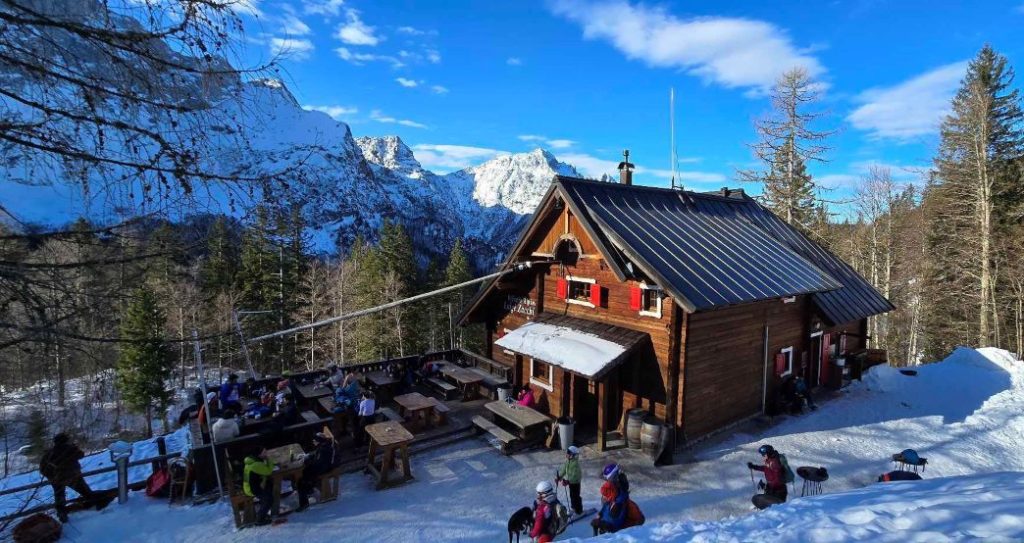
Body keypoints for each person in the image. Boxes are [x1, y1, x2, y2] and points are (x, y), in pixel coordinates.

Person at [39, 433, 104, 523]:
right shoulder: (70, 449)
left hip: (57, 479)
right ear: (66, 440)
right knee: (85, 491)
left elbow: (42, 468)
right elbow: (81, 454)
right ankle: (97, 505)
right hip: (73, 477)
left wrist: (52, 477)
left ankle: (62, 514)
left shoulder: (49, 453)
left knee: (59, 498)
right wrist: (74, 447)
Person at [297, 433, 340, 511]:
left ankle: (304, 503)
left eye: (315, 440)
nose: (313, 441)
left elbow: (319, 464)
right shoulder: (324, 446)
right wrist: (307, 456)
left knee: (301, 481)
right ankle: (309, 489)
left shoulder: (324, 450)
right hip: (324, 467)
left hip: (326, 469)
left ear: (319, 441)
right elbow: (317, 455)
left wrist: (307, 461)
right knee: (304, 471)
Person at [592, 463, 628, 535]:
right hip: (609, 515)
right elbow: (606, 506)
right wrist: (600, 514)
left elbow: (614, 520)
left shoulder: (618, 494)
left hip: (613, 526)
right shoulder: (611, 492)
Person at [243, 448, 275, 525]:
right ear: (259, 455)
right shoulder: (256, 465)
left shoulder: (252, 461)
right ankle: (260, 519)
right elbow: (269, 471)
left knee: (270, 484)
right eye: (264, 452)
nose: (266, 453)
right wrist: (269, 459)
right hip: (252, 489)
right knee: (269, 499)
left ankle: (263, 511)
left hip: (251, 485)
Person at [557, 446, 583, 515]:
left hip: (576, 483)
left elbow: (574, 475)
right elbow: (564, 470)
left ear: (573, 455)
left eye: (568, 453)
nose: (567, 454)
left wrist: (568, 481)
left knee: (576, 496)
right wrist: (559, 477)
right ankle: (573, 508)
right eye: (567, 453)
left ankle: (579, 510)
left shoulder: (575, 464)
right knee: (572, 496)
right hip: (571, 483)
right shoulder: (568, 462)